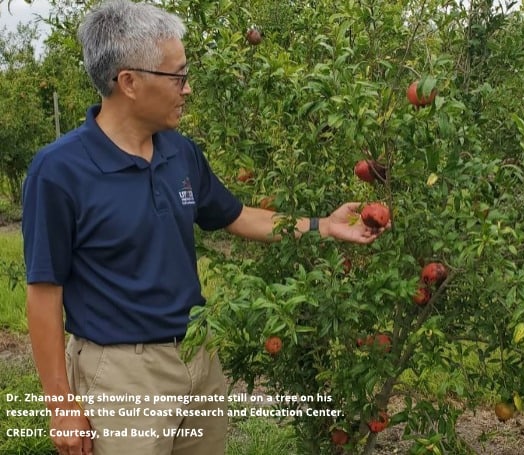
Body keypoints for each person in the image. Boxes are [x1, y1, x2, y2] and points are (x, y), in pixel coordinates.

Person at [21, 1, 388, 455]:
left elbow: (236, 216)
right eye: (177, 76)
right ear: (129, 82)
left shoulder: (181, 153)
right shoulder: (59, 171)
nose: (187, 88)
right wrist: (61, 405)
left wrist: (324, 227)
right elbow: (43, 292)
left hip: (199, 356)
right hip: (122, 374)